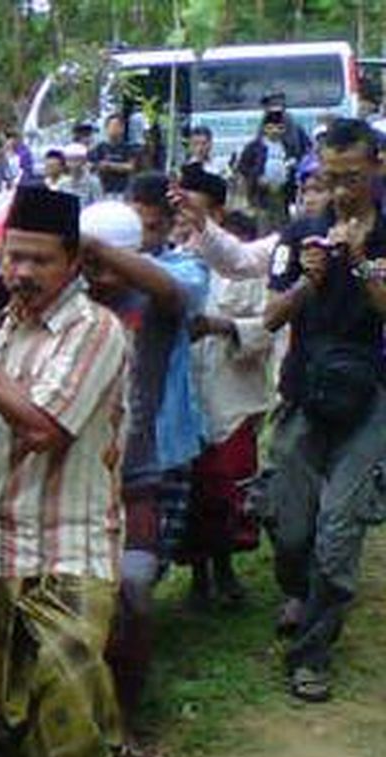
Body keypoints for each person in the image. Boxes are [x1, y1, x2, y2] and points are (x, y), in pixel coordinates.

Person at [0, 186, 128, 757]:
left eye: (39, 260)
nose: (22, 272)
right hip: (0, 537)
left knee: (65, 691)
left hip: (69, 542)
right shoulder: (6, 325)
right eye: (13, 257)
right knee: (9, 694)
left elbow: (41, 430)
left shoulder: (95, 330)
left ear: (74, 262)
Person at [82, 181, 209, 757]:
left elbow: (173, 291)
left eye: (109, 261)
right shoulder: (67, 300)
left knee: (133, 597)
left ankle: (125, 723)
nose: (98, 275)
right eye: (88, 262)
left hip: (134, 478)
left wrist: (100, 249)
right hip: (72, 484)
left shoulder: (156, 300)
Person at [262, 118, 386, 703]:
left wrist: (360, 262)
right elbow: (270, 316)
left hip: (368, 397)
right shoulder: (300, 234)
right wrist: (308, 282)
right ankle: (298, 589)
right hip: (305, 393)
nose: (339, 190)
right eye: (329, 177)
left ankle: (312, 653)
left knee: (339, 528)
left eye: (351, 177)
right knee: (290, 523)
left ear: (378, 167)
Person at [175, 166, 271, 609]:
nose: (182, 220)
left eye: (191, 210)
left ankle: (226, 571)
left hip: (230, 397)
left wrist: (222, 326)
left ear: (215, 213)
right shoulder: (168, 266)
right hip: (185, 401)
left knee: (227, 491)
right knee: (193, 491)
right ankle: (198, 576)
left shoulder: (247, 264)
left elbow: (269, 327)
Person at [238, 110, 305, 232]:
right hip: (262, 195)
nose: (274, 131)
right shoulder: (254, 147)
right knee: (264, 227)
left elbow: (296, 166)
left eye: (279, 128)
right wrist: (256, 178)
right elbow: (243, 167)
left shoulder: (288, 147)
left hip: (283, 195)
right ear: (264, 129)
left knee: (283, 227)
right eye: (270, 128)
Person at [90, 114, 138, 197]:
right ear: (106, 128)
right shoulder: (99, 148)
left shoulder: (128, 148)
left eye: (117, 126)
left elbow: (131, 167)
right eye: (111, 126)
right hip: (103, 190)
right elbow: (91, 165)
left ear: (122, 129)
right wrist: (98, 166)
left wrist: (110, 166)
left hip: (123, 190)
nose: (114, 129)